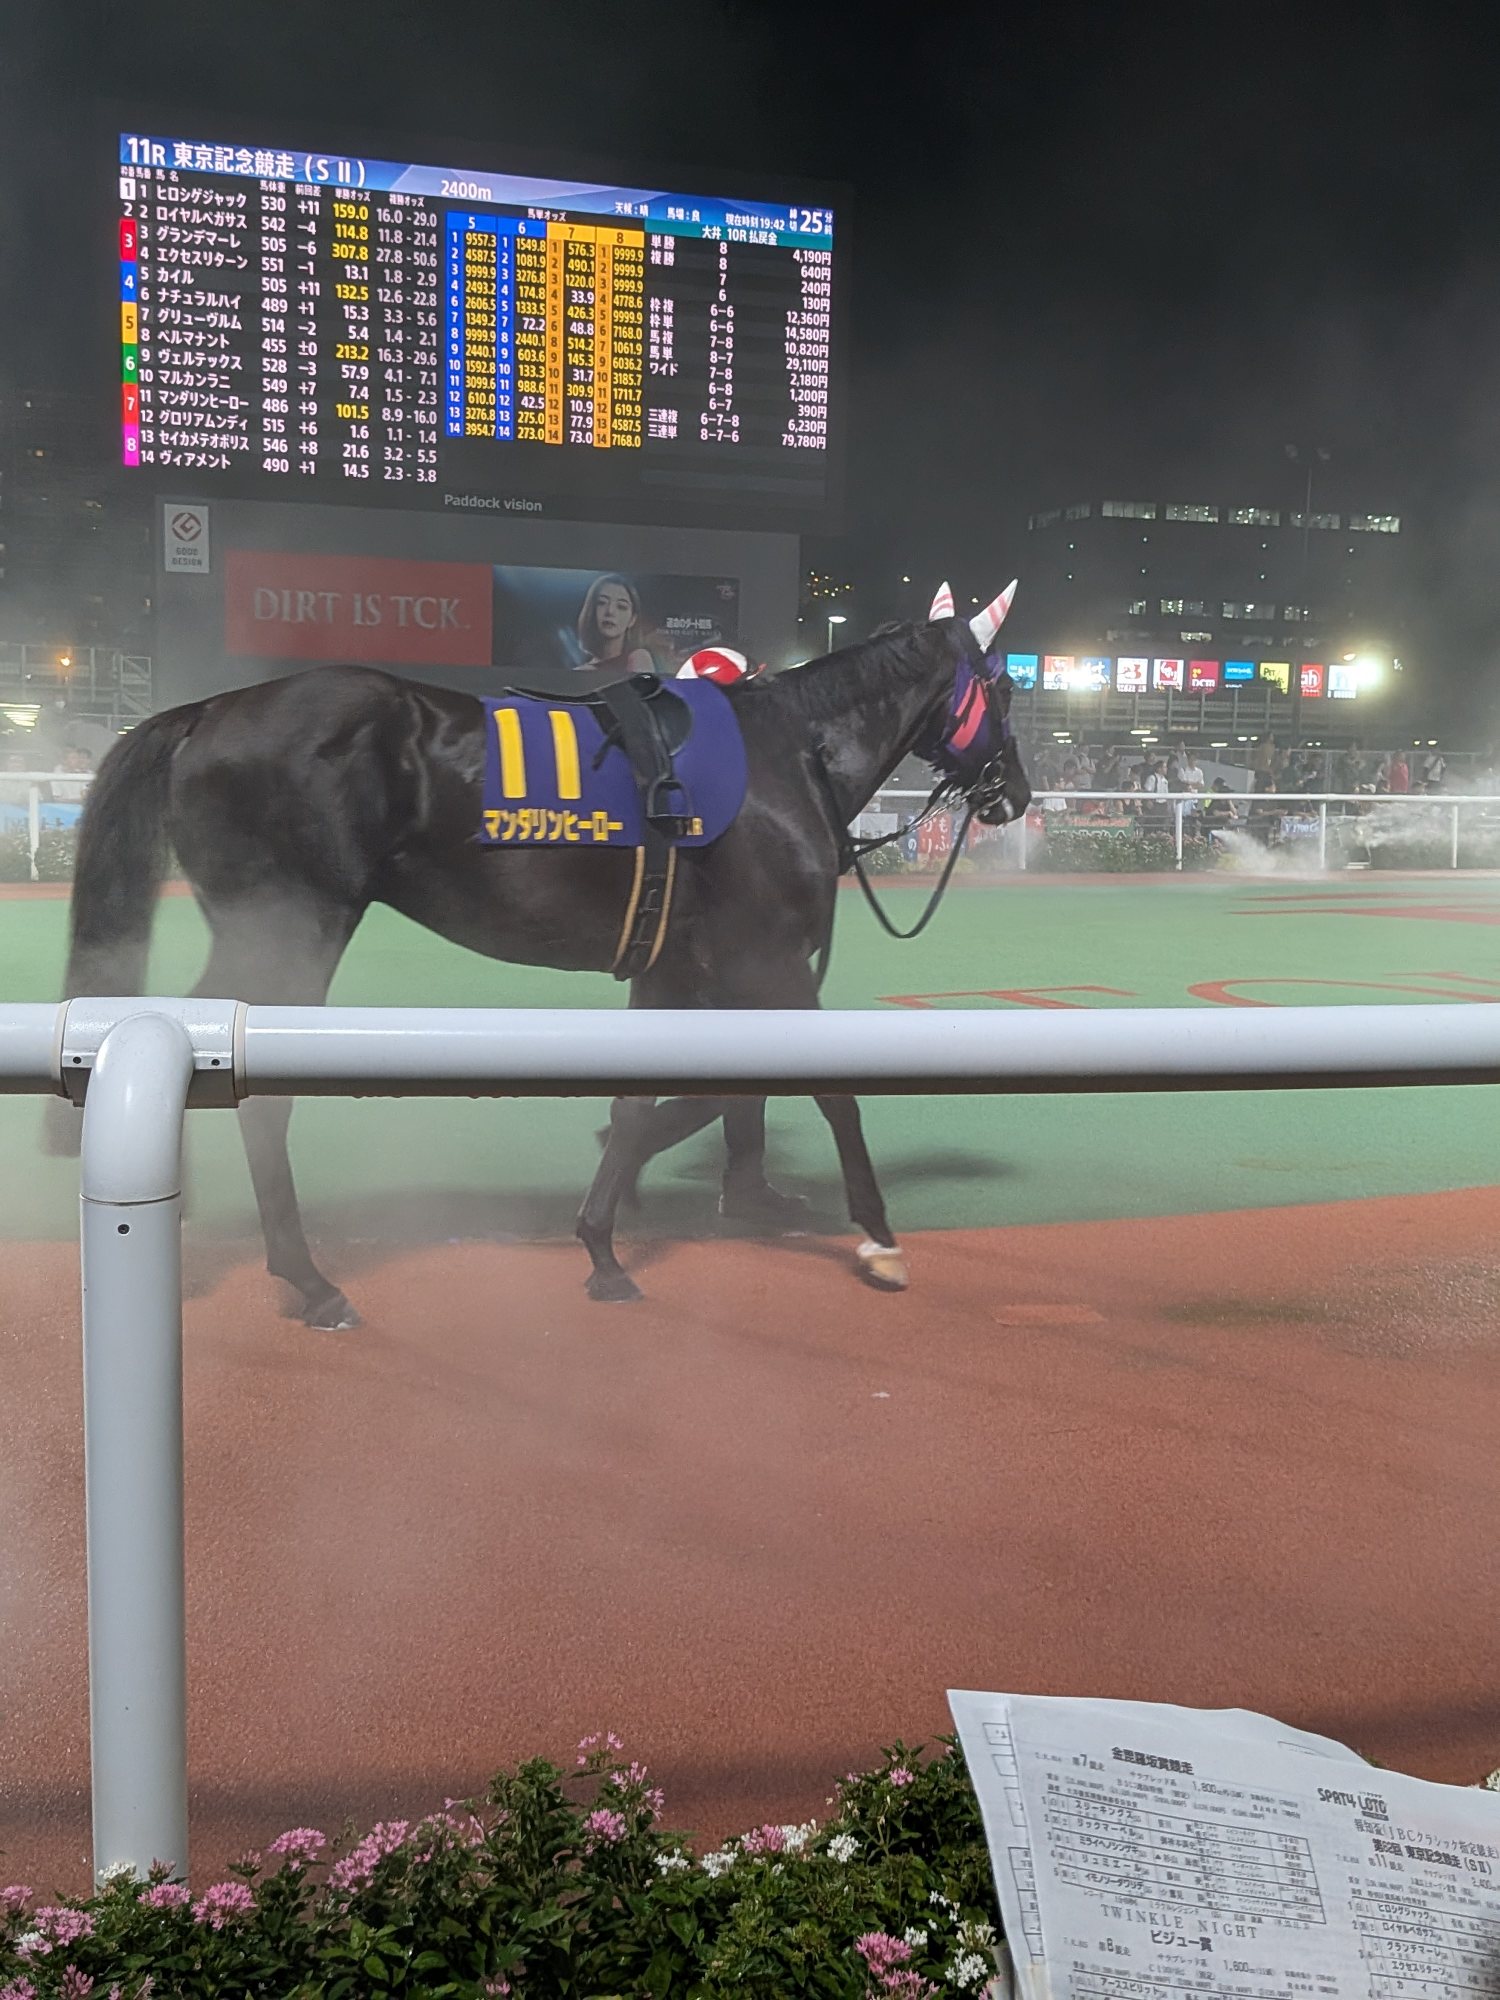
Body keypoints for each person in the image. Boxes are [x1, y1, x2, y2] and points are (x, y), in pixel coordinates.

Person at [574, 574, 655, 674]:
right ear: (592, 612)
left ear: (632, 620)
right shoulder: (580, 671)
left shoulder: (638, 658)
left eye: (621, 606)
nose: (610, 611)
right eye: (602, 602)